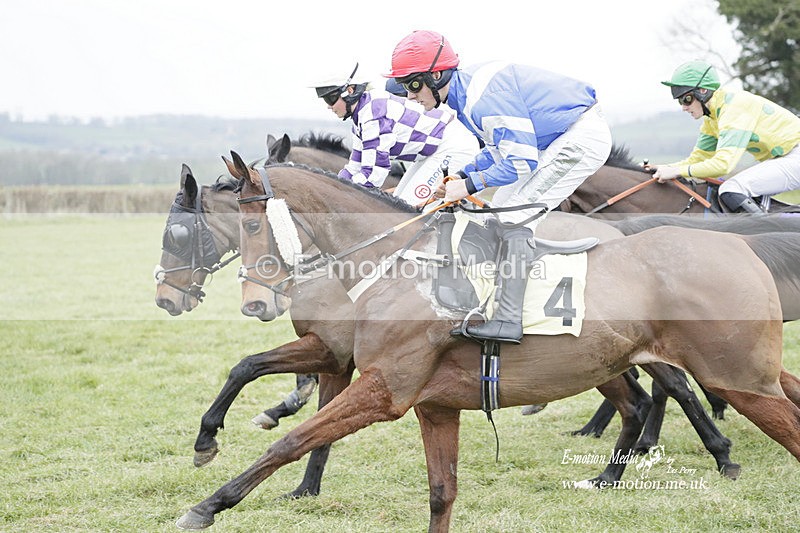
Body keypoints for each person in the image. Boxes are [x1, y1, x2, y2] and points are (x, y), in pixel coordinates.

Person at [385, 30, 612, 344]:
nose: (410, 95)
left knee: (514, 215)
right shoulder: (464, 97)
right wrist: (461, 176)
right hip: (555, 138)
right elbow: (497, 150)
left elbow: (520, 162)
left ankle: (508, 320)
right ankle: (494, 296)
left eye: (412, 84)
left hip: (578, 138)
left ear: (436, 76)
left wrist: (468, 186)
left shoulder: (481, 101)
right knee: (501, 205)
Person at [311, 63, 479, 207]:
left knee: (407, 213)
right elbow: (355, 166)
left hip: (452, 146)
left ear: (349, 91)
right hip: (435, 150)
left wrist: (337, 197)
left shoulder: (373, 114)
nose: (329, 106)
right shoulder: (361, 115)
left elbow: (374, 174)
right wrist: (332, 187)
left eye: (330, 100)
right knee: (400, 202)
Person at [652, 60, 800, 214]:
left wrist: (677, 171)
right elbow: (698, 160)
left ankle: (774, 235)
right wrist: (666, 168)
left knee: (731, 188)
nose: (683, 107)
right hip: (786, 158)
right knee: (734, 189)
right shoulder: (712, 118)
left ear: (703, 91)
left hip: (795, 156)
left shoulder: (734, 107)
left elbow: (723, 165)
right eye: (680, 101)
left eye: (686, 99)